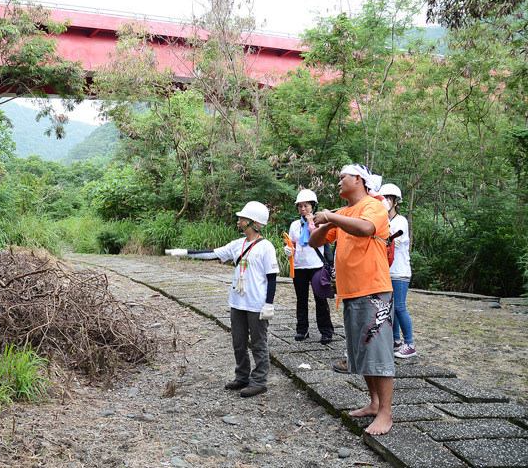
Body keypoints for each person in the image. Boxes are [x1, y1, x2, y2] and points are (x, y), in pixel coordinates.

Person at [308, 164, 395, 435]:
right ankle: (373, 404)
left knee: (379, 352)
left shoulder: (373, 206)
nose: (338, 183)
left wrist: (331, 217)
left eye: (342, 177)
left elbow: (366, 229)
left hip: (373, 290)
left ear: (358, 179)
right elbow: (313, 242)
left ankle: (386, 414)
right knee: (363, 351)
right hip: (351, 292)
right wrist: (325, 223)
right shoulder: (343, 213)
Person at [166, 201, 279, 398]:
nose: (238, 221)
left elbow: (272, 277)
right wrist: (185, 253)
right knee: (238, 343)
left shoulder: (266, 247)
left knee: (259, 343)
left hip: (256, 304)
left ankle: (259, 381)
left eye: (242, 219)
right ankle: (242, 376)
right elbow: (212, 254)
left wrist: (269, 303)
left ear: (253, 222)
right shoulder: (237, 245)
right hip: (237, 302)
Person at [284, 189, 334, 344]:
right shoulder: (294, 225)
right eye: (300, 206)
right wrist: (288, 250)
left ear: (313, 206)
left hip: (316, 265)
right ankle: (302, 330)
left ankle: (326, 332)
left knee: (321, 300)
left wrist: (311, 221)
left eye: (306, 205)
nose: (303, 208)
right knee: (301, 300)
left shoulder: (321, 223)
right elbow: (292, 242)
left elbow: (320, 236)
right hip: (299, 266)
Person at [380, 183, 416, 358]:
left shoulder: (400, 221)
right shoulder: (382, 220)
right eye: (382, 198)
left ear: (394, 202)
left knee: (400, 307)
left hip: (400, 272)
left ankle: (409, 343)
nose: (385, 202)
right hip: (387, 272)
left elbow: (396, 239)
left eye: (388, 198)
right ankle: (395, 340)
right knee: (391, 308)